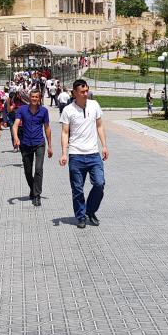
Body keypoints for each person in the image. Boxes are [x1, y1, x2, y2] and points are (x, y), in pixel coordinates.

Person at [59, 79, 108, 229]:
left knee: (99, 184)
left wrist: (104, 146)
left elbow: (99, 126)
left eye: (87, 91)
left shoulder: (95, 105)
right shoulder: (68, 110)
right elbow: (65, 132)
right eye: (82, 92)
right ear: (74, 93)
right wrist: (64, 153)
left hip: (93, 154)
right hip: (76, 155)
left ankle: (90, 210)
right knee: (77, 189)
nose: (85, 94)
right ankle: (80, 216)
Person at [13, 89, 53, 206]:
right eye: (33, 96)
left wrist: (50, 145)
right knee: (27, 171)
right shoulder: (22, 110)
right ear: (29, 98)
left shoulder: (44, 111)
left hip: (39, 143)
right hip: (25, 144)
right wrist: (16, 137)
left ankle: (37, 195)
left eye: (36, 97)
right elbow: (15, 125)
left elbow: (47, 128)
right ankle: (33, 189)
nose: (34, 99)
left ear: (39, 98)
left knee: (39, 169)